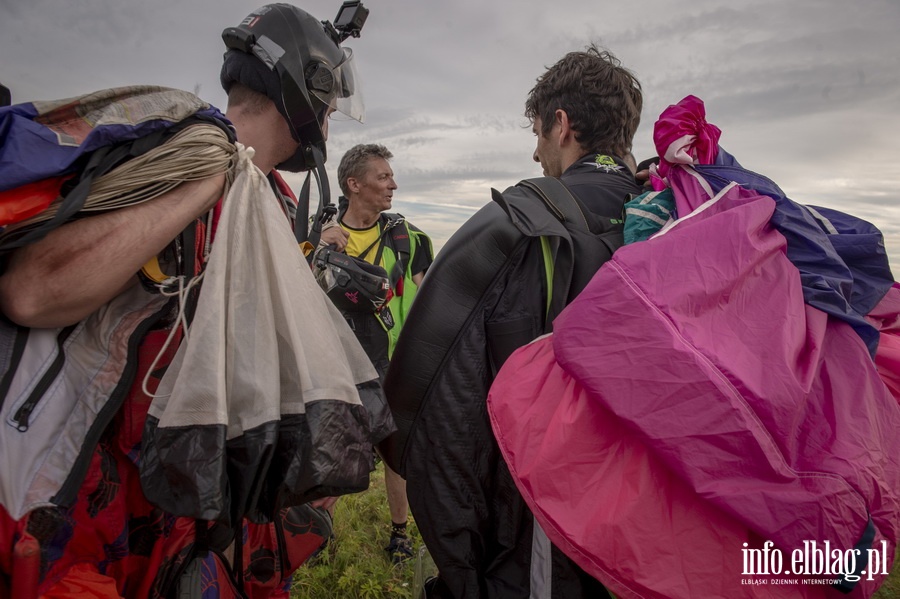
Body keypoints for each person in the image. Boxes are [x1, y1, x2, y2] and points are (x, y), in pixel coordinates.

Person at [0, 3, 381, 597]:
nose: (329, 124)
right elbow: (32, 292)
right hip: (75, 498)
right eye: (330, 107)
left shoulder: (267, 196)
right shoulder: (195, 154)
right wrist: (210, 175)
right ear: (308, 93)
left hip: (167, 481)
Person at [379, 45, 643, 597]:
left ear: (562, 125)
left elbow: (439, 407)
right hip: (655, 525)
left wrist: (467, 565)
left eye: (539, 136)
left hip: (549, 530)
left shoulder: (527, 220)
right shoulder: (675, 209)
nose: (536, 155)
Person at [317, 143, 434, 563]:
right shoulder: (318, 236)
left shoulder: (409, 239)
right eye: (383, 177)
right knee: (328, 445)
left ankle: (400, 533)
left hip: (393, 362)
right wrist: (312, 251)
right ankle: (317, 528)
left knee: (394, 451)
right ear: (354, 184)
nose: (393, 184)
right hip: (333, 362)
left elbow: (433, 298)